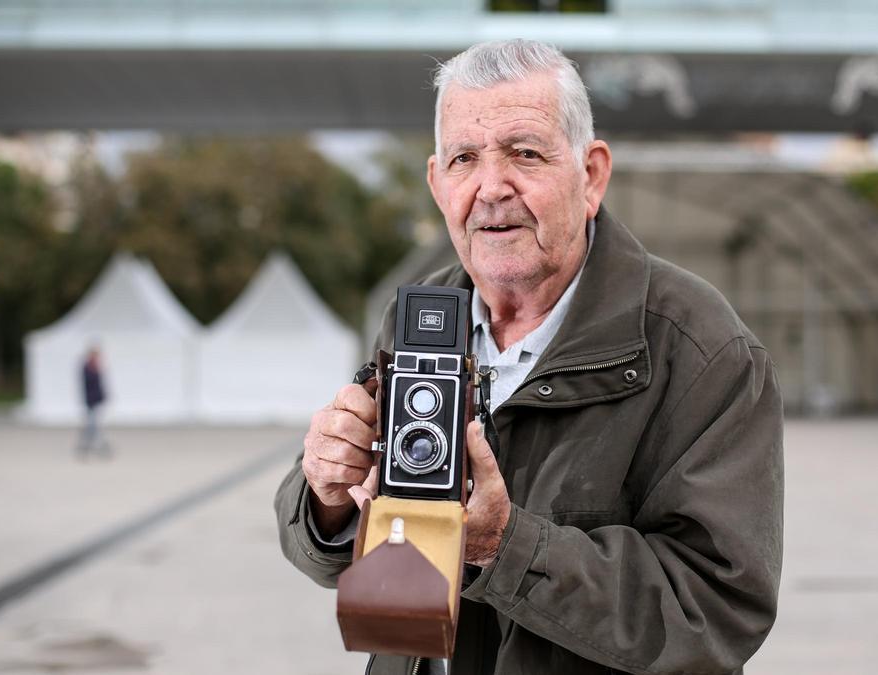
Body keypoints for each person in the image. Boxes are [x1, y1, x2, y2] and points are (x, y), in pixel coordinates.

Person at [275, 39, 783, 675]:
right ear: (438, 184)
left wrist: (504, 545)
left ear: (590, 174)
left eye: (524, 153)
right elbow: (357, 558)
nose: (492, 188)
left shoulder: (701, 348)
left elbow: (715, 611)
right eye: (465, 159)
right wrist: (328, 496)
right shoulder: (421, 316)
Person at [76, 345, 110, 459]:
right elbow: (89, 385)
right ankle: (91, 446)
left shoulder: (94, 367)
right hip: (91, 401)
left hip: (95, 400)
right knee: (92, 425)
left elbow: (99, 385)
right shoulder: (87, 367)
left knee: (92, 425)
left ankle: (89, 446)